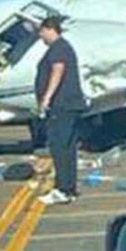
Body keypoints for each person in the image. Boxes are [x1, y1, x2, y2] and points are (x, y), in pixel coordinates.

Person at [34, 16, 87, 206]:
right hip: (69, 105)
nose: (40, 36)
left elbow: (58, 70)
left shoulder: (59, 48)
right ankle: (68, 187)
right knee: (68, 147)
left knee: (59, 147)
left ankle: (62, 189)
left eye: (41, 31)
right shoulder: (63, 47)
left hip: (62, 105)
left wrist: (47, 97)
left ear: (50, 29)